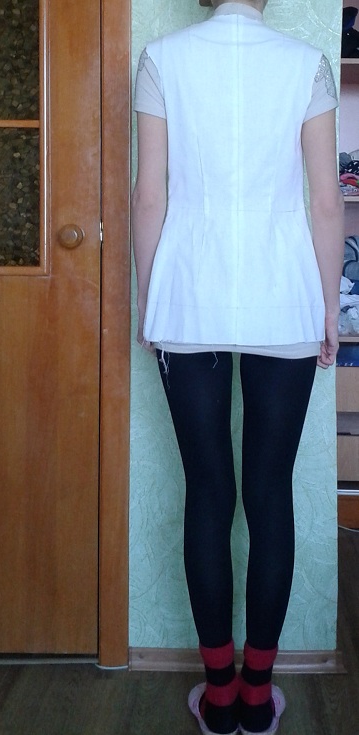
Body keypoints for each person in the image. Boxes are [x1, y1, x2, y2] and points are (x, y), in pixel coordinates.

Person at [132, 1, 344, 734]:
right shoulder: (305, 65)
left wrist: (151, 300)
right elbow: (326, 202)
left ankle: (217, 693)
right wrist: (328, 308)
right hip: (282, 298)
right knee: (269, 492)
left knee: (207, 492)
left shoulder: (162, 59)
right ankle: (258, 694)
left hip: (188, 297)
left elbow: (149, 195)